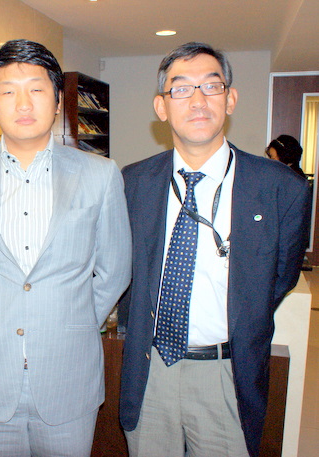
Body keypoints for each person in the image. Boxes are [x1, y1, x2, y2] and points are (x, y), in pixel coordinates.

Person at [0, 39, 131, 457]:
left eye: (37, 89)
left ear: (58, 100)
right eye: (8, 91)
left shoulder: (100, 175)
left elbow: (115, 269)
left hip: (69, 373)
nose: (23, 103)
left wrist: (74, 320)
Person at [119, 42, 311, 457]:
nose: (198, 100)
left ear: (231, 99)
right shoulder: (132, 183)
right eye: (181, 89)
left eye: (211, 86)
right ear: (161, 106)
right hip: (151, 370)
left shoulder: (282, 188)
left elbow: (278, 280)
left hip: (228, 375)